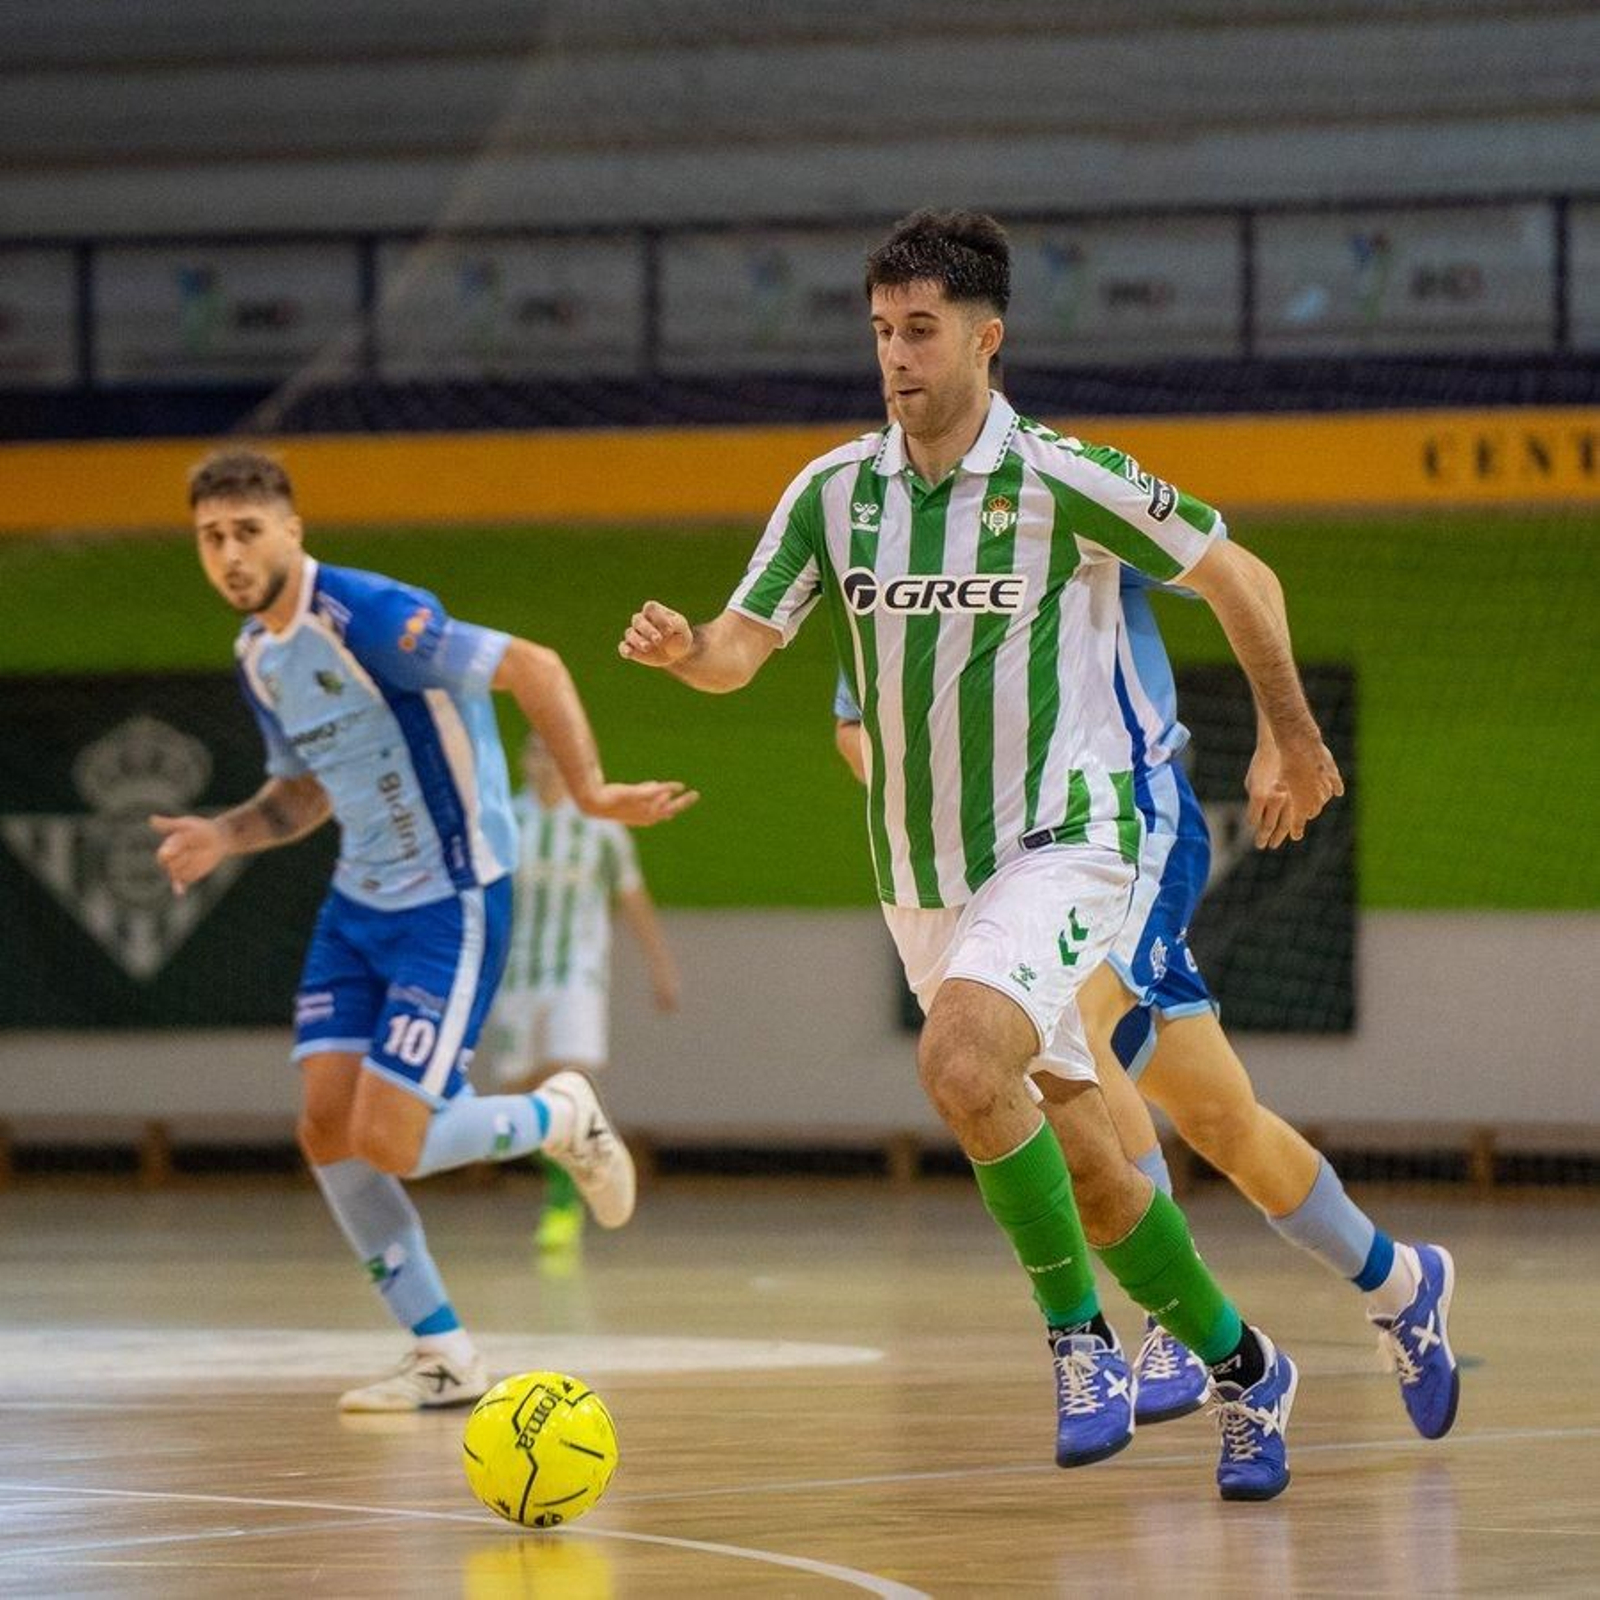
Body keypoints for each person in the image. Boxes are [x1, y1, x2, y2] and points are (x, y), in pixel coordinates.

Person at [620, 209, 1344, 1501]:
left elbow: (1242, 576)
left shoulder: (1064, 476)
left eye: (923, 330)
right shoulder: (832, 494)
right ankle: (1248, 1370)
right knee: (1091, 1173)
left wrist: (1288, 734)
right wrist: (691, 653)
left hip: (1067, 841)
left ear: (986, 337)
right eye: (883, 331)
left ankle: (1078, 1346)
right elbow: (744, 648)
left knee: (959, 1059)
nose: (898, 355)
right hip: (923, 876)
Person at [835, 559, 1459, 1441]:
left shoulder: (1065, 500)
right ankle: (1401, 1282)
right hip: (1020, 860)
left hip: (1130, 817)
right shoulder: (899, 554)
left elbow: (1246, 573)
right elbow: (856, 722)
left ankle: (1172, 1312)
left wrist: (1282, 731)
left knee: (1078, 1026)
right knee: (1223, 1121)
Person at [152, 448, 695, 1412]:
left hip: (452, 900)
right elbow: (304, 790)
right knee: (326, 1129)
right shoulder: (258, 657)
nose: (230, 553)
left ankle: (558, 1117)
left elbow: (533, 665)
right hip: (358, 905)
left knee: (392, 1140)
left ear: (292, 530)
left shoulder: (369, 616)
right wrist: (225, 833)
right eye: (211, 537)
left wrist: (592, 793)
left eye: (246, 531)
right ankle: (442, 1354)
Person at [481, 730, 680, 1254]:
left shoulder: (602, 826)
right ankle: (581, 1156)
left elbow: (632, 899)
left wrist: (661, 968)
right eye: (535, 752)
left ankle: (563, 1203)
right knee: (517, 1094)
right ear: (522, 761)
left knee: (567, 1075)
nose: (544, 762)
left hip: (577, 971)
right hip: (516, 973)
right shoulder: (506, 820)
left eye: (554, 752)